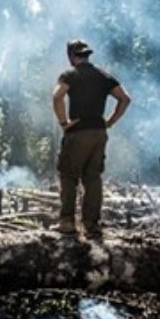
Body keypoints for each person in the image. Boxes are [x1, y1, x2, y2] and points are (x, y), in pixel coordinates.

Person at [51, 39, 131, 240]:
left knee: (69, 175)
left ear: (71, 56)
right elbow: (125, 98)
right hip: (98, 132)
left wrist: (63, 122)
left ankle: (67, 223)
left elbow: (57, 96)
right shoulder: (103, 75)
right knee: (93, 178)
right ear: (87, 55)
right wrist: (110, 122)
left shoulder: (69, 75)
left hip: (77, 132)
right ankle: (92, 226)